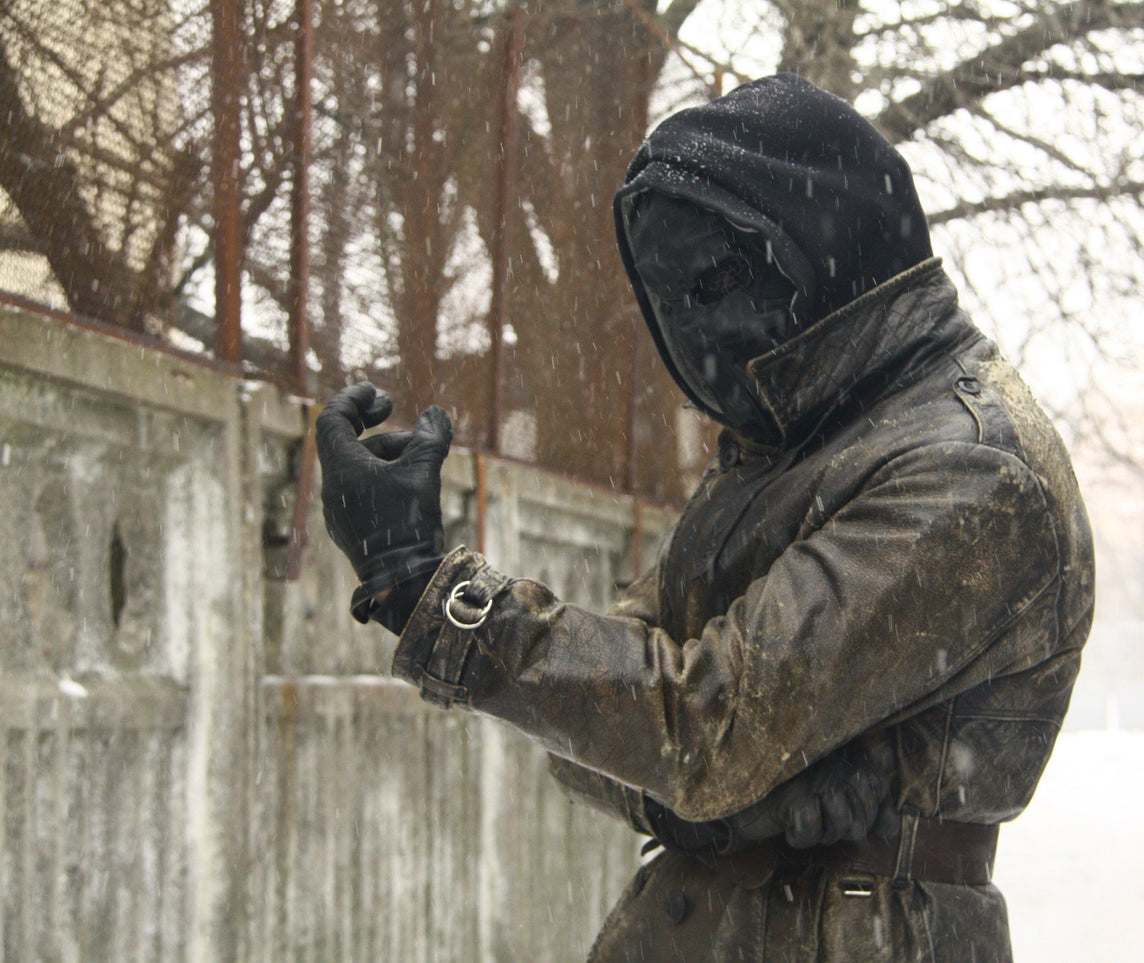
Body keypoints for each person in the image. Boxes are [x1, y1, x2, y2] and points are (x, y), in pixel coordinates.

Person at [317, 73, 1093, 962]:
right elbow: (610, 723)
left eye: (720, 278)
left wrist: (419, 582)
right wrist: (693, 805)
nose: (697, 327)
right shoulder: (790, 451)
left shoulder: (966, 467)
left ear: (831, 241)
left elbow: (690, 723)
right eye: (672, 298)